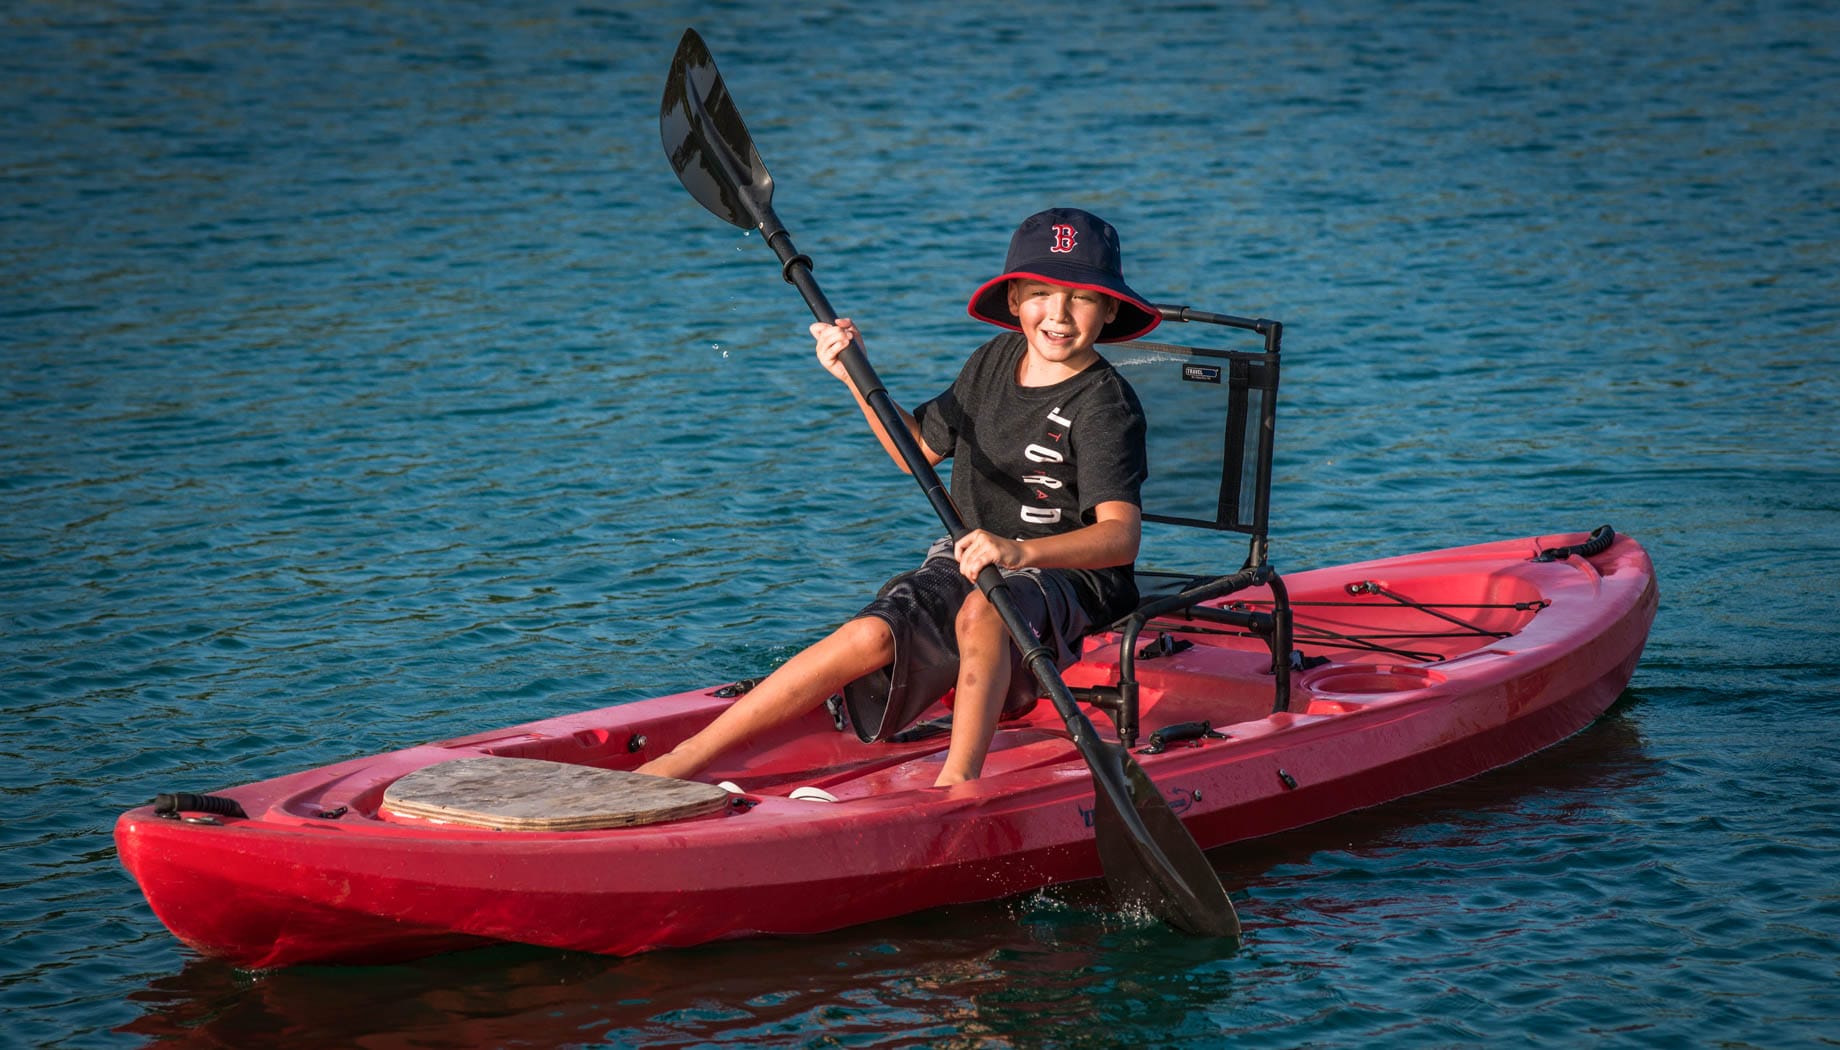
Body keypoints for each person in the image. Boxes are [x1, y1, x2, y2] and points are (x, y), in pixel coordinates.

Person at [636, 207, 1159, 787]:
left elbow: (1120, 538)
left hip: (1070, 580)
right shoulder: (991, 361)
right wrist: (855, 376)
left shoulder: (1106, 404)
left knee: (984, 610)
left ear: (1110, 308)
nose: (1057, 315)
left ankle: (955, 787)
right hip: (969, 558)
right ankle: (682, 760)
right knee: (869, 633)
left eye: (1080, 298)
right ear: (1013, 300)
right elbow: (914, 449)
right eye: (1039, 293)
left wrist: (1018, 551)